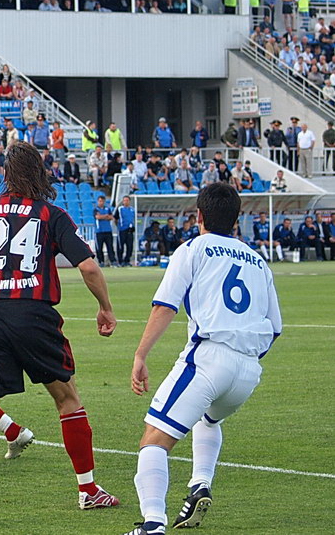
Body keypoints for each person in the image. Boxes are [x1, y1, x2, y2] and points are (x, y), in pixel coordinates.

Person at [0, 141, 119, 524]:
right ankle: (88, 490)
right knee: (67, 399)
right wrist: (105, 307)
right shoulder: (50, 214)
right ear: (38, 174)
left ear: (5, 175)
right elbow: (87, 267)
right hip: (34, 315)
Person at [123, 183, 282, 535]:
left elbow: (165, 306)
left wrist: (140, 354)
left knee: (154, 438)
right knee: (208, 419)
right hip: (248, 370)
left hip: (209, 357)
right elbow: (275, 328)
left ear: (198, 216)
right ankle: (200, 483)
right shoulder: (258, 260)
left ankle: (152, 523)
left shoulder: (193, 248)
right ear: (236, 219)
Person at [93, 195, 117, 266]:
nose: (101, 202)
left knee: (110, 247)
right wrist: (105, 216)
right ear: (98, 201)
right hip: (99, 231)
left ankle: (113, 261)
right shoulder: (96, 209)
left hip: (108, 231)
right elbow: (98, 217)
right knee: (99, 248)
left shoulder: (108, 209)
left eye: (102, 201)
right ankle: (101, 261)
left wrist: (103, 216)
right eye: (100, 201)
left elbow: (111, 217)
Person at [115, 195, 135, 267]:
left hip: (130, 230)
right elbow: (115, 218)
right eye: (124, 200)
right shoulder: (120, 209)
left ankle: (127, 260)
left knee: (130, 246)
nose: (126, 202)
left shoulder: (132, 209)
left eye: (127, 200)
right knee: (121, 246)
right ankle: (120, 261)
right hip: (122, 230)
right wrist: (119, 226)